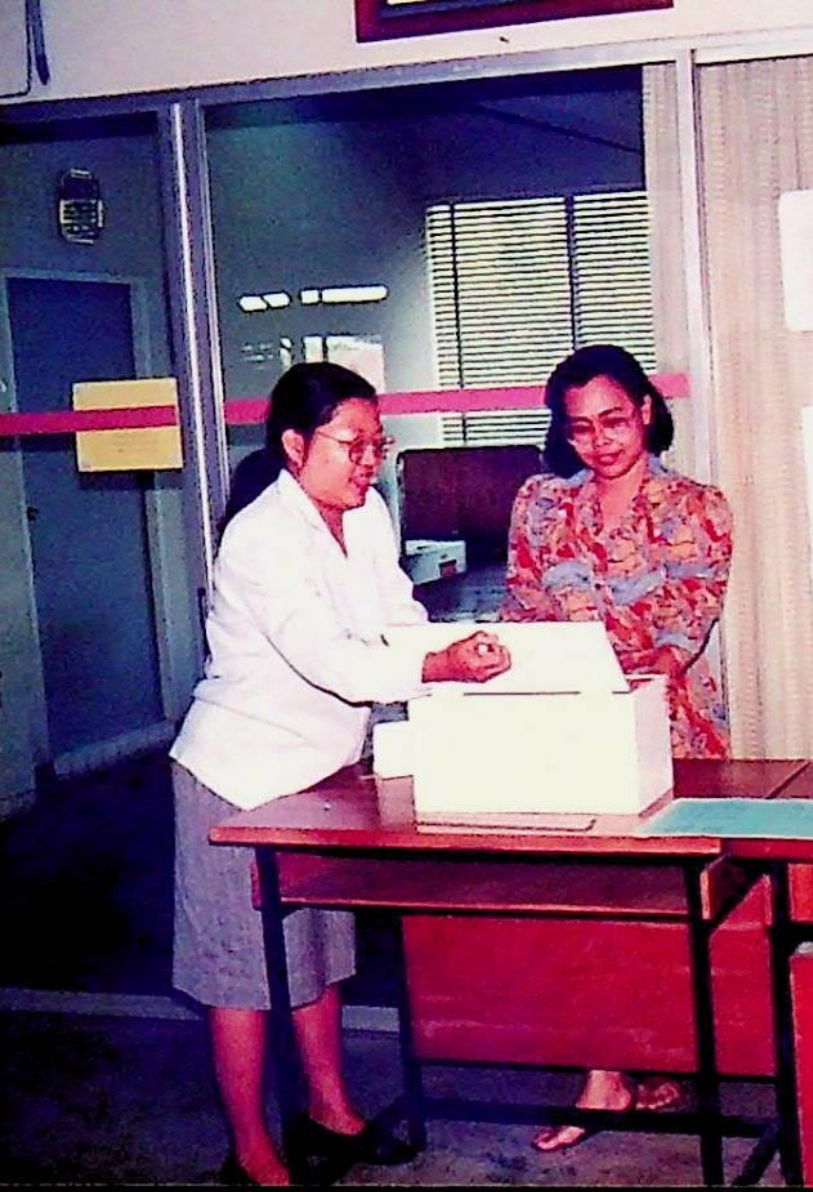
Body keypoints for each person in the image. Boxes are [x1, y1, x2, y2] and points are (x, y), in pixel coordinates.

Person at [169, 362, 512, 1186]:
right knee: (239, 976)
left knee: (318, 953)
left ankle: (331, 1110)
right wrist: (439, 667)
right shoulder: (260, 537)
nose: (369, 462)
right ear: (296, 445)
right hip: (236, 781)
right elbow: (333, 662)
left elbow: (396, 621)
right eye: (351, 445)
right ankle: (252, 1150)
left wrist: (461, 650)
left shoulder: (366, 516)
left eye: (377, 445)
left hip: (319, 780)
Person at [501, 344, 734, 1150]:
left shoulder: (697, 506)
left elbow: (686, 622)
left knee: (664, 909)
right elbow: (524, 608)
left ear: (644, 411)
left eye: (613, 421)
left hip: (667, 729)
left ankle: (650, 1057)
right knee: (583, 902)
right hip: (570, 726)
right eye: (579, 429)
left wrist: (638, 677)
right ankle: (604, 1072)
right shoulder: (540, 504)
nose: (599, 442)